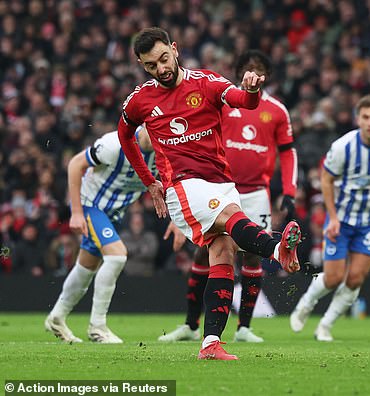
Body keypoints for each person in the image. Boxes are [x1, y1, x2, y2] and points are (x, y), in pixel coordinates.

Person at [117, 27, 301, 360]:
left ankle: (210, 343)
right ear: (143, 67)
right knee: (231, 220)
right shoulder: (141, 100)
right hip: (183, 186)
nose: (161, 69)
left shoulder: (207, 82)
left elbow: (242, 101)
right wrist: (150, 182)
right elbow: (125, 135)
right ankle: (276, 250)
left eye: (163, 59)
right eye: (151, 66)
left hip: (221, 182)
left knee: (224, 253)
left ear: (174, 49)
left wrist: (252, 91)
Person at [158, 50, 298, 344]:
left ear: (267, 75)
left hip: (255, 192)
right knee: (205, 252)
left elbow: (287, 152)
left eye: (258, 69)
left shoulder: (276, 111)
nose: (253, 73)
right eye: (247, 68)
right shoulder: (222, 100)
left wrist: (289, 191)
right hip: (216, 188)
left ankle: (243, 327)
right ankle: (191, 324)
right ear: (238, 71)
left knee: (250, 255)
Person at [45, 126, 185, 343]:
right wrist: (76, 212)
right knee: (117, 255)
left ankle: (57, 316)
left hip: (113, 214)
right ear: (145, 124)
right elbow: (75, 164)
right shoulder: (115, 145)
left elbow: (175, 185)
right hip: (91, 204)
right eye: (155, 127)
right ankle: (97, 327)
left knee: (86, 267)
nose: (160, 134)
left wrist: (178, 221)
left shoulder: (164, 152)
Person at [289, 94, 370, 341]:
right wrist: (333, 217)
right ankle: (306, 303)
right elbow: (326, 180)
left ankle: (326, 325)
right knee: (333, 277)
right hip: (341, 219)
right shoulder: (343, 147)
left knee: (355, 278)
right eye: (366, 117)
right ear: (358, 119)